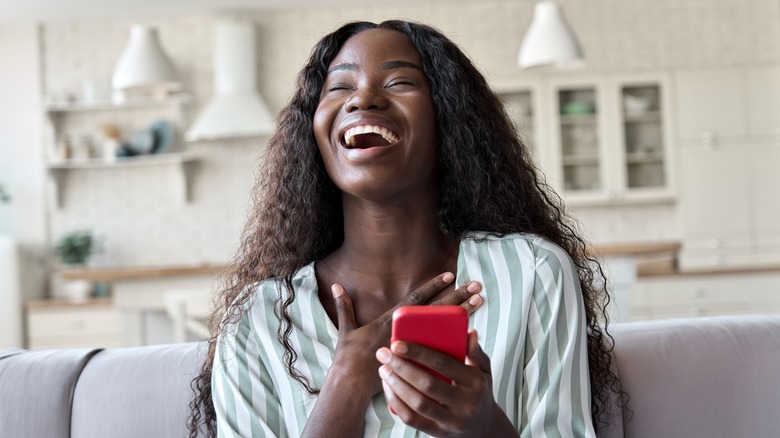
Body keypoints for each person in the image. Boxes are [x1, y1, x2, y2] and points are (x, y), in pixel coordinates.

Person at [189, 19, 623, 438]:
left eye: (399, 82)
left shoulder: (532, 271)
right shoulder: (258, 321)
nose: (363, 99)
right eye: (340, 87)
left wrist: (484, 427)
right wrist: (347, 380)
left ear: (448, 121)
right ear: (315, 131)